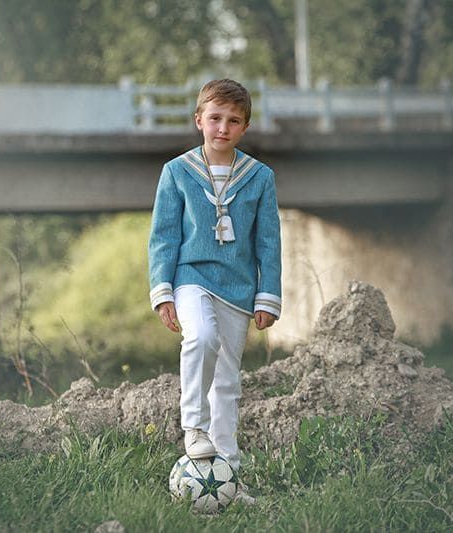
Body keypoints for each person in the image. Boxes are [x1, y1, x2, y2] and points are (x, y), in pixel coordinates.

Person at [148, 79, 282, 475]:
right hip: (191, 277)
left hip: (238, 288)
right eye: (215, 118)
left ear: (245, 127)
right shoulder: (176, 172)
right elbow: (163, 236)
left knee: (226, 384)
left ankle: (228, 475)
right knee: (201, 336)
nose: (223, 127)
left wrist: (267, 295)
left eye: (233, 120)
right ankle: (192, 425)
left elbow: (269, 242)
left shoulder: (259, 177)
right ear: (199, 120)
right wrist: (163, 291)